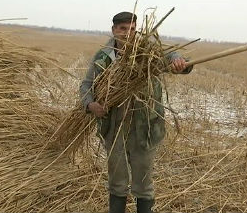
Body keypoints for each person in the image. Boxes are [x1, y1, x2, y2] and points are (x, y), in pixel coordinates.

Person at [80, 12, 191, 213]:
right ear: (114, 30)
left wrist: (179, 61)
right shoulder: (103, 57)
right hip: (114, 127)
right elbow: (86, 85)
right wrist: (91, 105)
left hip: (145, 127)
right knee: (117, 182)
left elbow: (171, 57)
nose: (128, 34)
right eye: (123, 29)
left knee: (143, 184)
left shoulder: (147, 53)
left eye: (132, 29)